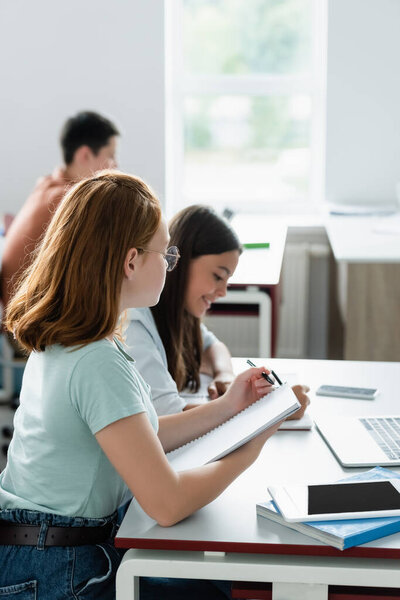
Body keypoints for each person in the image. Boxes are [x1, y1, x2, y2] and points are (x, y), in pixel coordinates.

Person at [0, 171, 282, 599]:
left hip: (49, 549)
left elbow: (141, 435)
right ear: (131, 261)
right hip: (57, 567)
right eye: (166, 255)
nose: (170, 265)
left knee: (204, 584)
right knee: (207, 587)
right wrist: (251, 448)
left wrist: (231, 406)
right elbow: (166, 504)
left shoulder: (75, 335)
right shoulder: (95, 359)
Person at [127, 205, 310, 417]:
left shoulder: (177, 313)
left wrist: (224, 375)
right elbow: (170, 416)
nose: (223, 292)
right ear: (181, 260)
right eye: (218, 276)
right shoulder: (135, 322)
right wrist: (271, 408)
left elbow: (213, 345)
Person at [1, 110, 119, 313]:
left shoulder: (48, 184)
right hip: (29, 326)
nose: (115, 166)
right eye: (110, 157)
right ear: (85, 154)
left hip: (20, 315)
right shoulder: (66, 200)